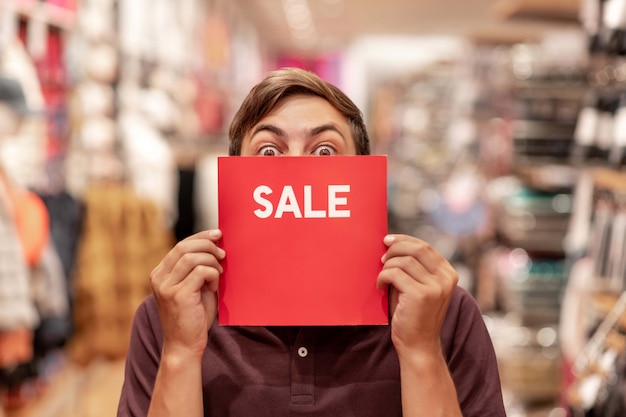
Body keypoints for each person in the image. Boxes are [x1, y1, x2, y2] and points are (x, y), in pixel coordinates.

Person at [117, 68, 506, 417]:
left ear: (361, 173)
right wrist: (182, 353)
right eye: (269, 150)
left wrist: (421, 352)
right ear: (235, 176)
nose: (296, 167)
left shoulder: (442, 309)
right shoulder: (170, 312)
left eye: (324, 149)